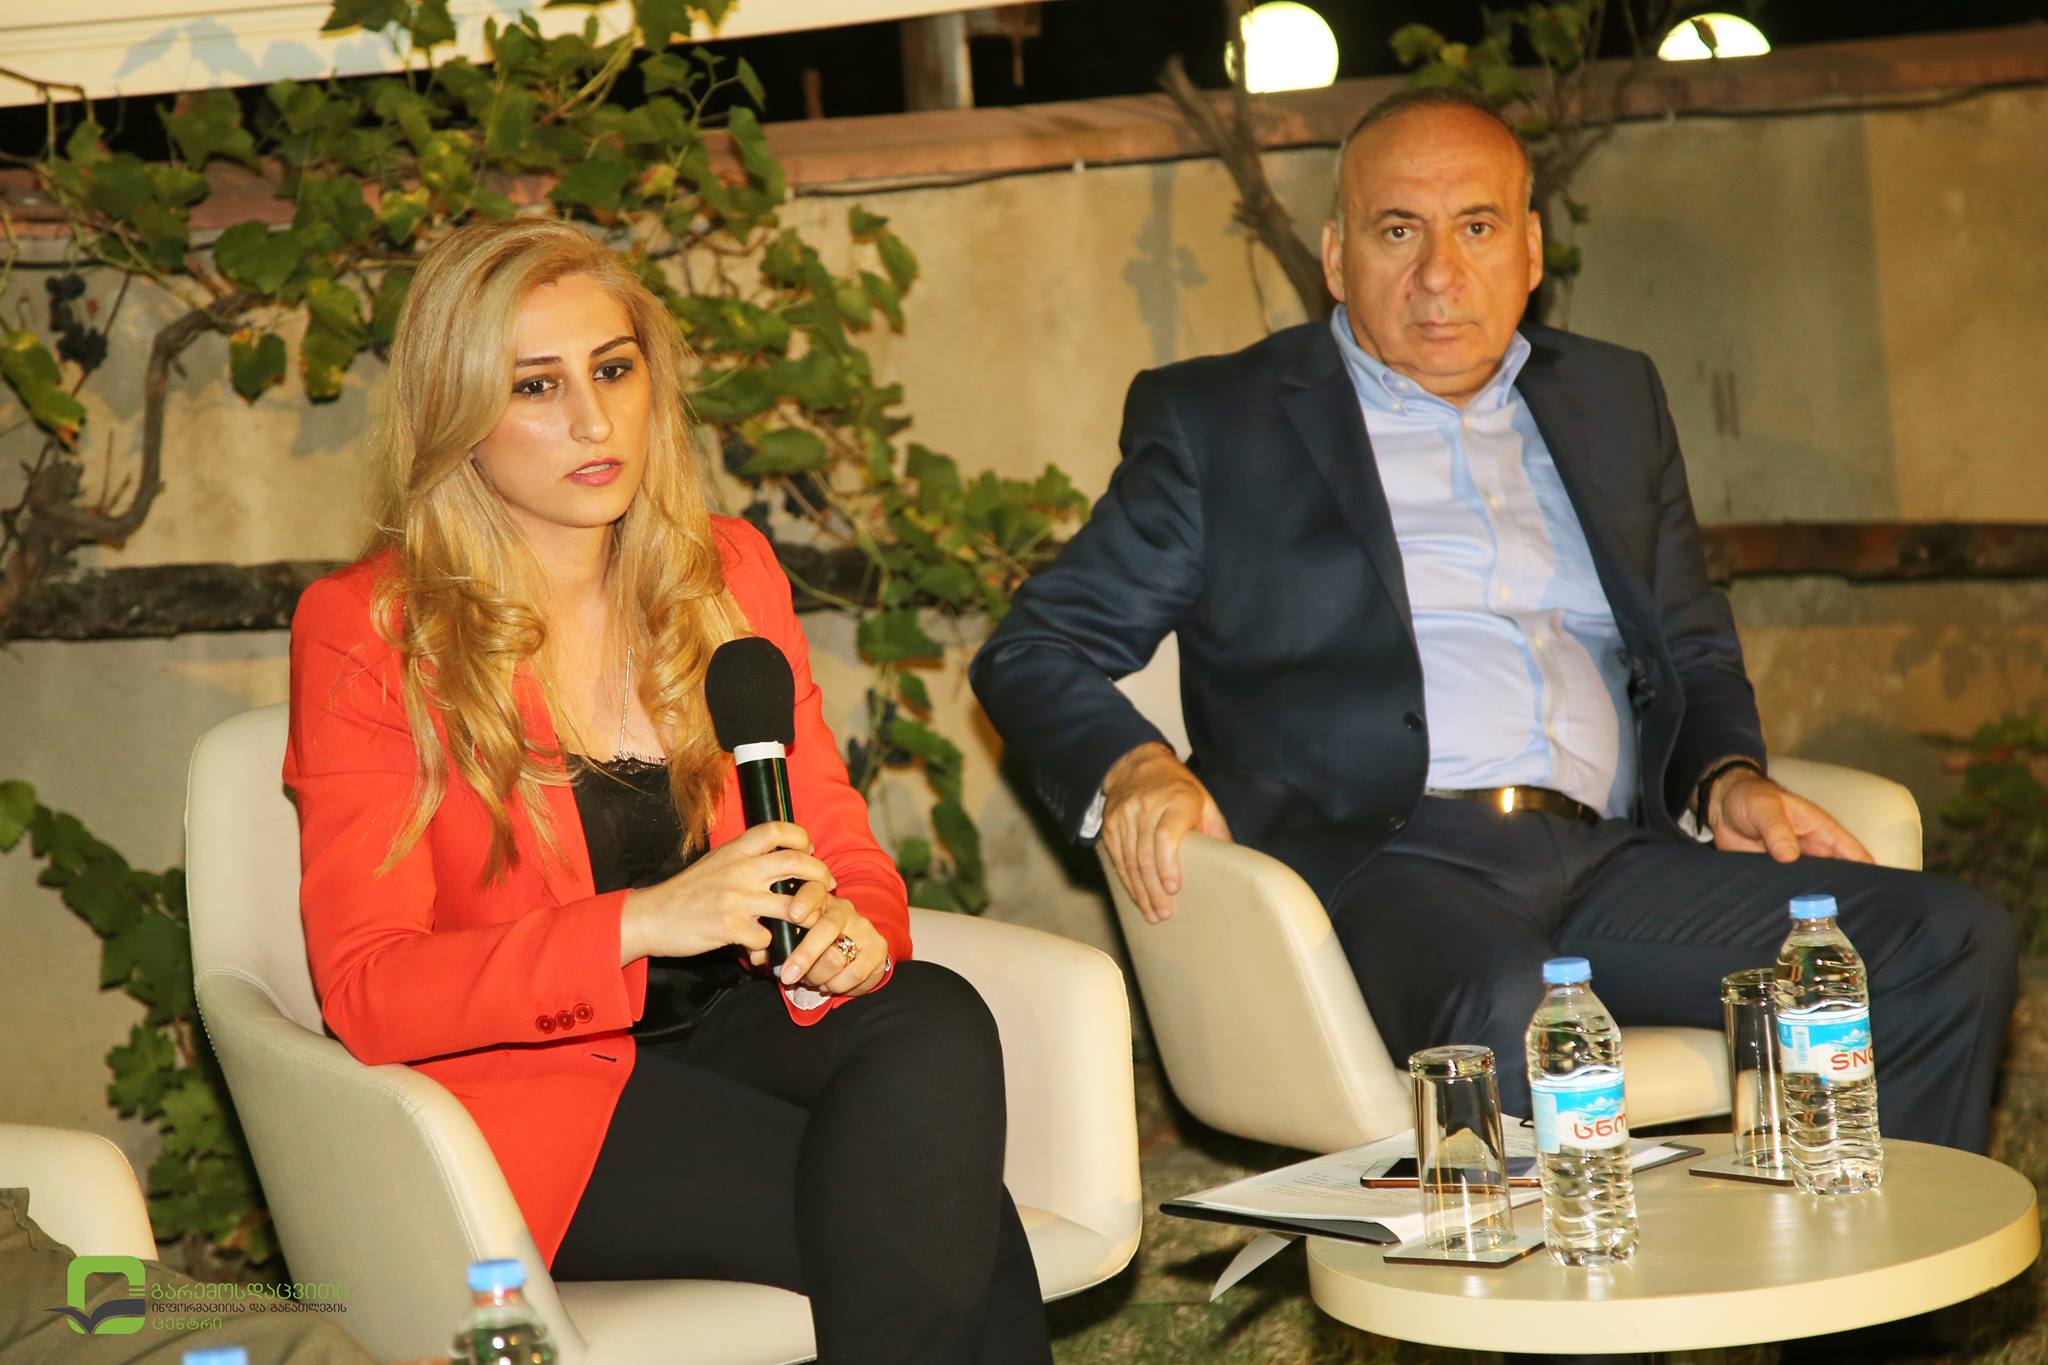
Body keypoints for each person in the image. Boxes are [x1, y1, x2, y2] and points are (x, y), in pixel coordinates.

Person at [971, 87, 2016, 1156]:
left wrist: (1724, 776)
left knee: (1940, 940)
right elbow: (1036, 648)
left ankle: (1879, 1269)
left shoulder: (1611, 397)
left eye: (1474, 227)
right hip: (1387, 865)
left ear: (1529, 249)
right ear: (1335, 257)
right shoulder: (1224, 424)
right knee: (1512, 1008)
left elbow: (1688, 642)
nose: (1437, 274)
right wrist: (1135, 765)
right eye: (1397, 231)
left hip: (1611, 857)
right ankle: (1582, 1275)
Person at [285, 218, 1050, 1364]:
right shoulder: (372, 630)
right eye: (534, 386)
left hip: (739, 1024)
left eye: (612, 369)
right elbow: (369, 989)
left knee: (932, 1012)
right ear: (456, 414)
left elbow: (834, 839)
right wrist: (642, 922)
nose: (593, 421)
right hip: (540, 1096)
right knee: (955, 1226)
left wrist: (854, 926)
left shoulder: (723, 571)